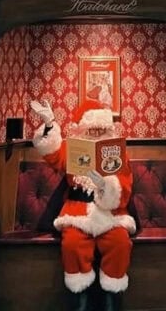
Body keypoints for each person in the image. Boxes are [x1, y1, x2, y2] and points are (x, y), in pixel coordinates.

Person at [30, 97, 134, 311]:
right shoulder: (71, 147)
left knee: (120, 243)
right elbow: (52, 155)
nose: (96, 134)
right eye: (92, 129)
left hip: (109, 213)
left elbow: (125, 186)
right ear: (83, 129)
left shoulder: (118, 152)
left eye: (100, 130)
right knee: (72, 244)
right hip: (76, 211)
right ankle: (81, 300)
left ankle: (110, 299)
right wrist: (50, 124)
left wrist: (106, 184)